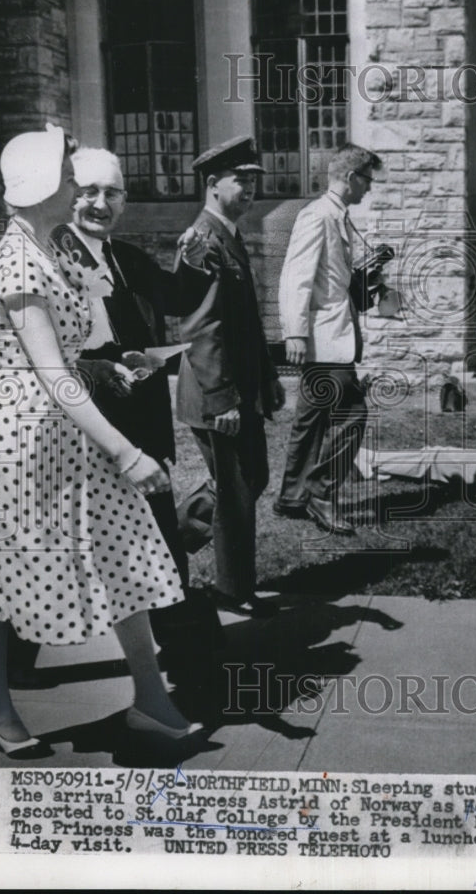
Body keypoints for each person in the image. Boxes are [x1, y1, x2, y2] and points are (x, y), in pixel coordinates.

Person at [0, 125, 202, 757]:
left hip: (65, 427)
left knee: (127, 547)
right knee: (4, 566)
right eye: (71, 178)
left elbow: (64, 360)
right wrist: (126, 450)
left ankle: (151, 699)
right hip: (23, 433)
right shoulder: (18, 259)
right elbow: (45, 374)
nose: (79, 189)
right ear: (45, 187)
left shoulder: (46, 248)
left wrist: (104, 366)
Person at [67, 148, 224, 667]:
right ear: (67, 194)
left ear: (125, 201)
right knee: (58, 547)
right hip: (79, 429)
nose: (99, 203)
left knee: (157, 537)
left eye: (111, 193)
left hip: (140, 430)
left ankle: (184, 650)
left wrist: (196, 264)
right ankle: (11, 660)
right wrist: (95, 370)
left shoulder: (124, 256)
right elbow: (39, 355)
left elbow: (174, 297)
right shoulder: (48, 261)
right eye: (89, 191)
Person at [175, 136, 285, 618]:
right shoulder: (202, 241)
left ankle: (169, 541)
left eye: (254, 181)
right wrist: (222, 401)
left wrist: (268, 379)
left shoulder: (227, 235)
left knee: (246, 479)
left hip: (239, 389)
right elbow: (202, 328)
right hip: (215, 395)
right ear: (213, 183)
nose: (251, 190)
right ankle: (232, 591)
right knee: (239, 488)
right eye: (242, 180)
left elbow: (244, 324)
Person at [274, 142, 383, 535]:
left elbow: (334, 281)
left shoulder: (337, 216)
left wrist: (366, 284)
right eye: (367, 180)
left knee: (311, 420)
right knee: (354, 415)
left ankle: (291, 497)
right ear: (351, 177)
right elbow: (295, 277)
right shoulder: (318, 216)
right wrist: (295, 333)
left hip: (332, 338)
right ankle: (320, 492)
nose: (369, 188)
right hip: (323, 341)